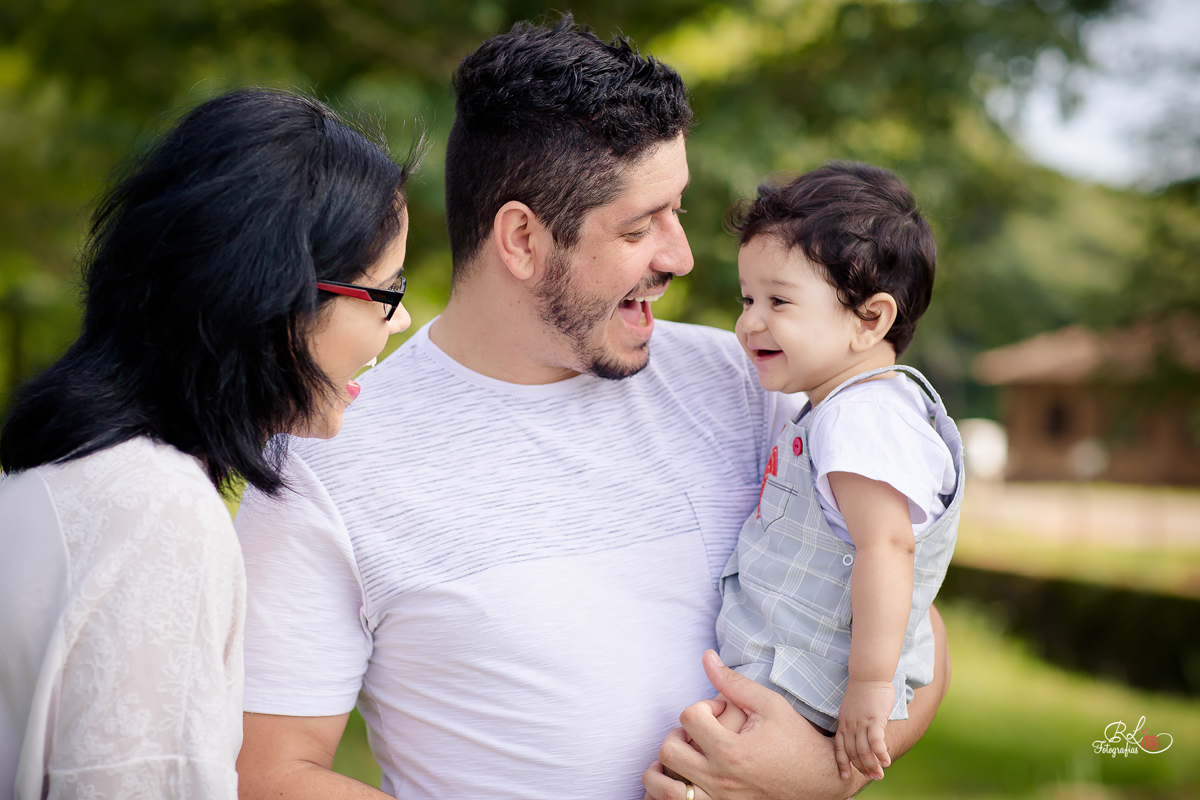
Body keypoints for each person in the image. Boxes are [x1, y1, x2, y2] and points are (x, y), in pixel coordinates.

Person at [233, 19, 948, 800]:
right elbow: (268, 773)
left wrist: (812, 774)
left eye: (677, 212)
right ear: (521, 239)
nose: (681, 257)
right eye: (641, 226)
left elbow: (911, 618)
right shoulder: (326, 455)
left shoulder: (750, 384)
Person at [0, 89, 418, 800]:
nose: (401, 320)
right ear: (273, 297)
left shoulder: (59, 475)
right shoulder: (158, 514)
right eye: (386, 290)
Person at [690, 163, 962, 784]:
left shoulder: (860, 418)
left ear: (870, 320)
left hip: (804, 678)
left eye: (778, 301)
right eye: (747, 299)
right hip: (791, 670)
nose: (749, 322)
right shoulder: (848, 408)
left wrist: (869, 685)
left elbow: (888, 546)